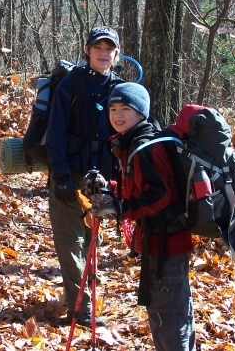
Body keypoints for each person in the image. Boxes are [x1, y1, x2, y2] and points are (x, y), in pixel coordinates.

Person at [88, 82, 196, 350]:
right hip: (160, 241)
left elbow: (159, 196)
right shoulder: (132, 142)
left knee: (167, 316)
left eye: (126, 108)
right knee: (175, 313)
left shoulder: (146, 146)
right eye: (113, 108)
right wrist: (108, 189)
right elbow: (138, 188)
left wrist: (120, 208)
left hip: (166, 245)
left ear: (141, 113)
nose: (118, 114)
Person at [44, 26, 122, 327]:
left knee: (92, 241)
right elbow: (56, 133)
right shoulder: (71, 84)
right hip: (69, 175)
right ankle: (83, 311)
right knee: (70, 242)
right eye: (98, 47)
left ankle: (84, 300)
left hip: (102, 181)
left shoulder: (120, 87)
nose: (103, 53)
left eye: (109, 48)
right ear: (87, 50)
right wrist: (61, 176)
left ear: (115, 53)